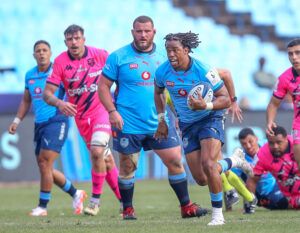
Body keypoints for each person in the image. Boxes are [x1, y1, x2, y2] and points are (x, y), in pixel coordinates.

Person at [98, 15, 210, 221]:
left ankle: (186, 206)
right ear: (133, 32)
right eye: (138, 31)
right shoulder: (118, 57)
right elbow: (102, 86)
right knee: (127, 167)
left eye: (146, 31)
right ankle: (128, 210)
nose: (142, 35)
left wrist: (176, 114)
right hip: (128, 123)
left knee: (175, 161)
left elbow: (173, 87)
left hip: (159, 123)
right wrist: (112, 112)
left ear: (154, 32)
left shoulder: (166, 55)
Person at [154, 31, 252, 226]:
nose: (171, 54)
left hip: (210, 118)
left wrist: (207, 105)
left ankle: (218, 216)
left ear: (187, 50)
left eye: (175, 50)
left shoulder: (204, 70)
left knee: (208, 164)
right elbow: (158, 92)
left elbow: (222, 97)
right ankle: (234, 160)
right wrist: (162, 120)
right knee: (201, 178)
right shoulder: (162, 71)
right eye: (168, 50)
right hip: (187, 124)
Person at [43, 25, 121, 216]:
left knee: (96, 151)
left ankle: (94, 201)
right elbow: (47, 94)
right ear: (65, 42)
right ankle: (124, 201)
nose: (74, 42)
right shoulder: (60, 62)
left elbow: (120, 77)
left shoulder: (100, 55)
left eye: (77, 38)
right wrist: (60, 103)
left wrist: (117, 103)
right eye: (70, 39)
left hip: (102, 112)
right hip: (81, 118)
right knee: (106, 159)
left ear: (84, 39)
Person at [8, 40, 86, 216]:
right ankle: (76, 193)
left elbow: (75, 91)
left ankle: (42, 207)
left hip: (57, 120)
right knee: (46, 167)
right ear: (34, 55)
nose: (42, 53)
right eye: (38, 51)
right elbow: (26, 100)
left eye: (45, 50)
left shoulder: (58, 71)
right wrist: (16, 121)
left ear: (50, 53)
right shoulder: (30, 75)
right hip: (39, 123)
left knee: (45, 161)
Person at [229, 128, 285, 212]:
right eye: (244, 144)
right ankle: (250, 204)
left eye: (250, 141)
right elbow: (229, 181)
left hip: (277, 186)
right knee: (286, 202)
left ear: (256, 138)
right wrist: (229, 209)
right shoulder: (239, 158)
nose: (248, 146)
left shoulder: (268, 146)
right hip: (259, 196)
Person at [247, 126, 300, 210]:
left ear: (286, 139)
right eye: (271, 143)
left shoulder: (297, 145)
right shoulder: (263, 154)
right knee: (280, 202)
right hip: (285, 196)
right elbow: (252, 180)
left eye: (279, 142)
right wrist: (249, 205)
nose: (275, 146)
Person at [266, 38, 300, 167]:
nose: (294, 57)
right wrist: (269, 122)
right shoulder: (284, 78)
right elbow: (273, 104)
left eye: (298, 53)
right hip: (299, 123)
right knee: (298, 153)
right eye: (290, 54)